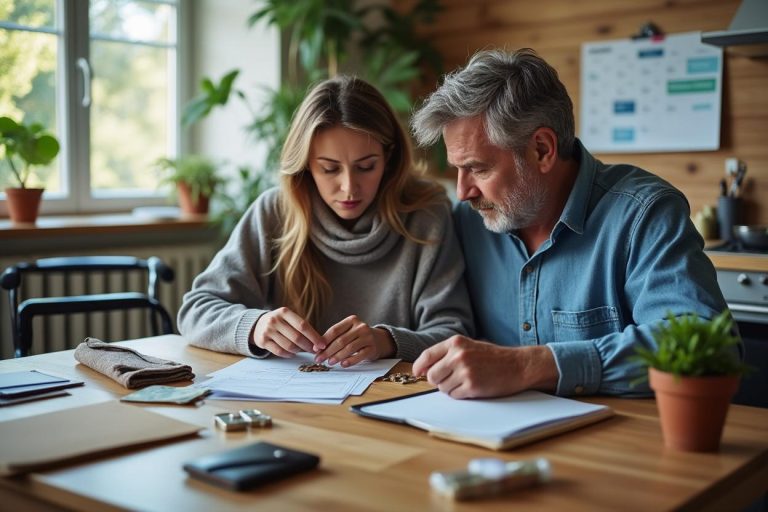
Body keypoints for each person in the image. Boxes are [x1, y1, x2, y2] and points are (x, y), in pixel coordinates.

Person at [410, 48, 729, 398]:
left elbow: (708, 346)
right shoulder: (467, 223)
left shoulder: (644, 214)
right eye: (457, 169)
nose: (462, 191)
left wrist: (526, 366)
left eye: (479, 168)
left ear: (542, 150)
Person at [178, 75, 473, 367]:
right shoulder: (275, 211)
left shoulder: (426, 214)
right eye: (330, 169)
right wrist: (254, 326)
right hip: (291, 402)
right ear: (306, 165)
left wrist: (387, 341)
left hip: (391, 399)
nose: (349, 187)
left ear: (389, 157)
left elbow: (455, 332)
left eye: (366, 167)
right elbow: (195, 310)